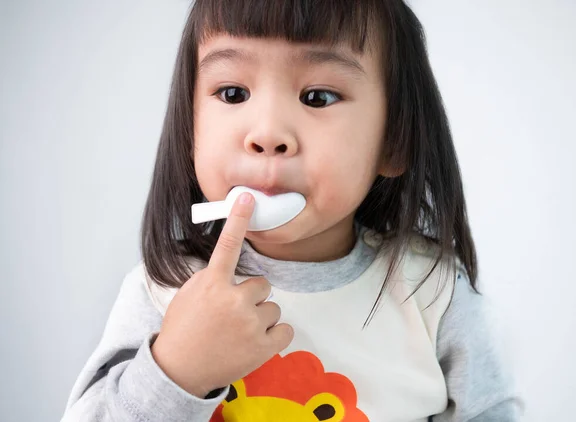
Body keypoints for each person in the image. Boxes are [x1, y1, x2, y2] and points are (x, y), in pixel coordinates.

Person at [62, 1, 521, 420]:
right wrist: (176, 370)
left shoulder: (432, 293)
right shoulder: (165, 289)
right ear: (190, 127)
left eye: (317, 97)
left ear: (393, 141)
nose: (266, 132)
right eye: (232, 93)